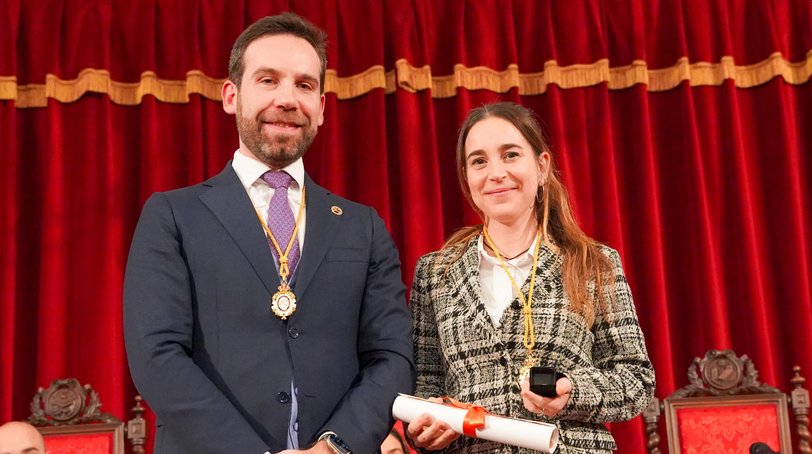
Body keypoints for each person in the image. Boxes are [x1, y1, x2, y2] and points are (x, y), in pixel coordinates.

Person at [123, 12, 414, 454]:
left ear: (321, 107)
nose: (288, 99)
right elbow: (156, 354)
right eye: (268, 80)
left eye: (304, 85)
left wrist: (335, 446)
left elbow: (391, 357)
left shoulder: (363, 226)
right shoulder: (173, 216)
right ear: (231, 95)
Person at [406, 102, 655, 453]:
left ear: (541, 167)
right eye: (479, 161)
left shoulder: (595, 264)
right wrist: (424, 428)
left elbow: (636, 381)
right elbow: (426, 384)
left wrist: (573, 391)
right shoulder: (435, 273)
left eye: (510, 155)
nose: (495, 173)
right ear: (467, 178)